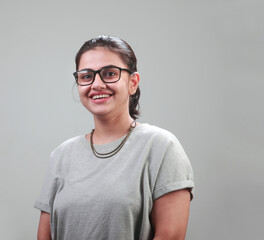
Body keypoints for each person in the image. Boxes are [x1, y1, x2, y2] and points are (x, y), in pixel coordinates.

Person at [34, 35, 194, 240]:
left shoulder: (161, 147)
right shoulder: (62, 155)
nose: (97, 84)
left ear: (133, 82)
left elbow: (170, 236)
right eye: (86, 76)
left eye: (109, 74)